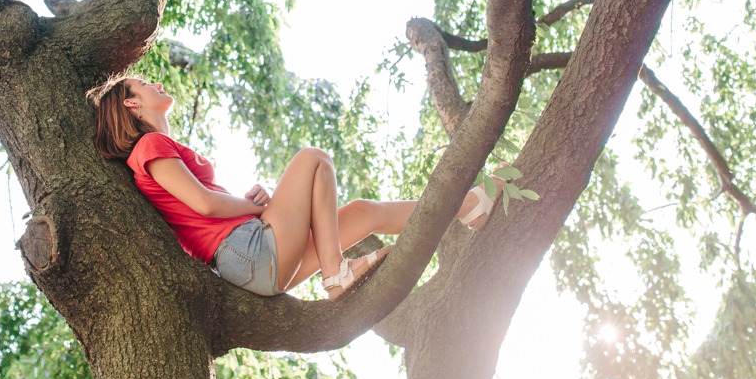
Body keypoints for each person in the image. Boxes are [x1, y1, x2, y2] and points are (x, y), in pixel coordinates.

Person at [92, 76, 498, 300]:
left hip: (252, 259)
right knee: (312, 159)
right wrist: (258, 212)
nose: (155, 83)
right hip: (245, 252)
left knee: (363, 212)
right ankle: (337, 274)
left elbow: (202, 209)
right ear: (131, 104)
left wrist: (252, 206)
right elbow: (206, 205)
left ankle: (469, 208)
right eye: (144, 83)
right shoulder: (149, 146)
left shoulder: (163, 148)